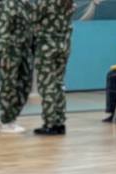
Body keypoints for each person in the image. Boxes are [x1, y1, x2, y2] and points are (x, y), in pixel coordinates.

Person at [32, 0, 74, 136]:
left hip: (47, 48)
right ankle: (59, 123)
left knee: (47, 86)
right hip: (64, 46)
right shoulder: (69, 2)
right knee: (58, 84)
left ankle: (49, 124)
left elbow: (33, 18)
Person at [0, 0, 36, 134]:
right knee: (9, 86)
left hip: (26, 51)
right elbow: (2, 30)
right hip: (11, 51)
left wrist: (34, 49)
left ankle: (12, 117)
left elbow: (32, 29)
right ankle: (5, 121)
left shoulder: (28, 5)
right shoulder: (9, 4)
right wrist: (3, 54)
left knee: (25, 86)